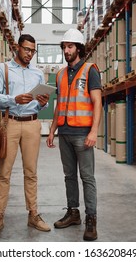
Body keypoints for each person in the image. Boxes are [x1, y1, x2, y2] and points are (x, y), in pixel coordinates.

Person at [0, 34, 51, 236]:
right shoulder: (2, 69)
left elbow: (44, 104)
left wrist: (42, 102)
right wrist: (14, 99)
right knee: (4, 173)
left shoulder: (38, 74)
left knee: (31, 173)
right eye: (26, 49)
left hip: (32, 124)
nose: (29, 54)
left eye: (33, 50)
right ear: (17, 47)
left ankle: (33, 214)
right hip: (11, 123)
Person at [46, 28, 102, 241]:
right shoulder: (60, 74)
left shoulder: (90, 70)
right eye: (64, 47)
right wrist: (52, 130)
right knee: (69, 176)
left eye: (70, 47)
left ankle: (91, 219)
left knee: (87, 177)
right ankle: (73, 213)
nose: (66, 50)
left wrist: (94, 131)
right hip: (65, 133)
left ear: (78, 48)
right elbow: (59, 105)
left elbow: (97, 102)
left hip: (83, 134)